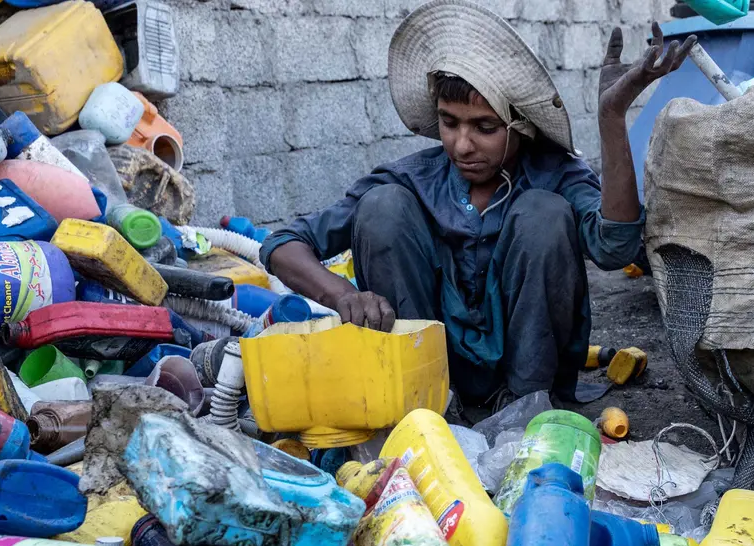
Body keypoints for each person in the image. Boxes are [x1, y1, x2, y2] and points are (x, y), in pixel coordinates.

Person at [260, 0, 694, 408]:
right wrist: (341, 295)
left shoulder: (554, 174)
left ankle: (527, 410)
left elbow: (614, 248)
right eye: (449, 123)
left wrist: (611, 117)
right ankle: (423, 403)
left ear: (520, 126)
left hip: (531, 383)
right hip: (427, 383)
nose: (462, 144)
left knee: (542, 215)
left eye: (485, 127)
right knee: (381, 208)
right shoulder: (414, 179)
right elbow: (283, 243)